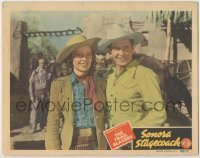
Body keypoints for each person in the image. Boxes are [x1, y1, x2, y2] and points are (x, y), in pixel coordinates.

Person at [98, 24, 167, 128]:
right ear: (110, 51)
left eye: (126, 48)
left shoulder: (144, 75)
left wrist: (131, 134)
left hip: (134, 142)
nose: (121, 53)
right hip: (112, 141)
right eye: (117, 48)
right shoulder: (110, 76)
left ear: (133, 49)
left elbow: (158, 114)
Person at [45, 35, 107, 150]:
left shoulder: (101, 84)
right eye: (79, 55)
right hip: (71, 146)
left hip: (98, 146)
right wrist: (53, 152)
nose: (84, 59)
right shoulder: (59, 84)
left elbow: (110, 118)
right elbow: (53, 122)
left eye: (88, 55)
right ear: (70, 58)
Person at [29, 58, 51, 134]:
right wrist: (31, 96)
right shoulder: (34, 73)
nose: (42, 65)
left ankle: (43, 126)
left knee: (44, 111)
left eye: (43, 63)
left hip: (45, 94)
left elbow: (50, 85)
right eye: (40, 63)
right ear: (38, 64)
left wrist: (49, 95)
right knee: (34, 111)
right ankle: (33, 127)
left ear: (45, 64)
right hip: (36, 94)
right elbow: (31, 85)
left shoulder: (48, 74)